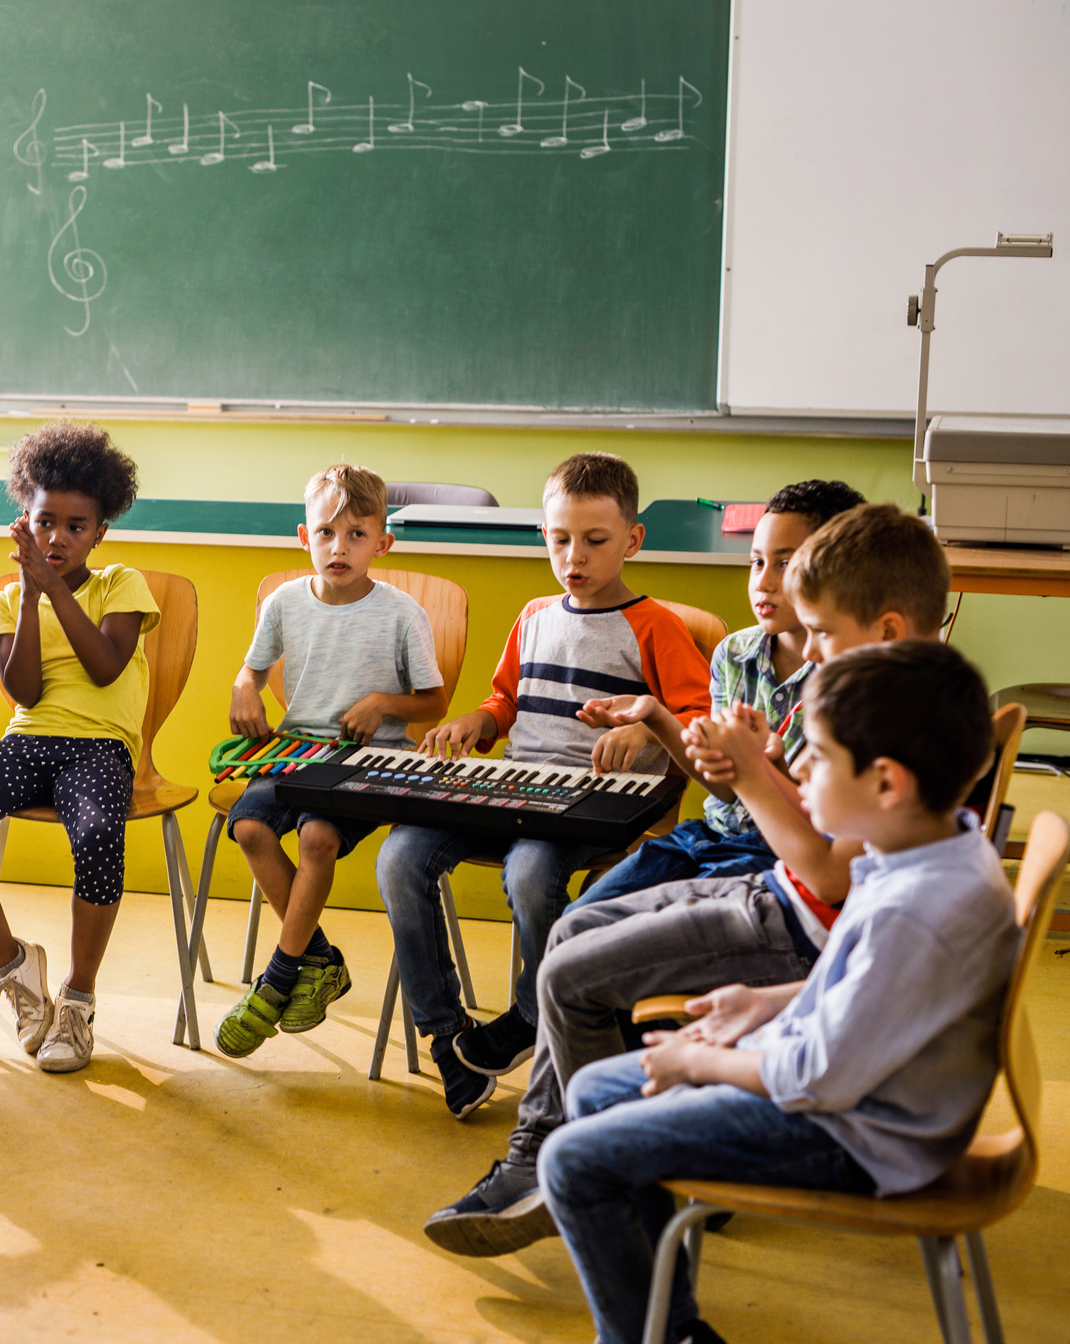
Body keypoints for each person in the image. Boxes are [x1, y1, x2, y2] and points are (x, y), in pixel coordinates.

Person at [424, 499, 951, 1254]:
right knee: (573, 931)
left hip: (788, 905)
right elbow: (790, 812)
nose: (813, 651)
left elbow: (826, 871)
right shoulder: (849, 689)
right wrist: (745, 764)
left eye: (824, 632)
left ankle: (568, 1159)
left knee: (573, 974)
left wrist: (755, 772)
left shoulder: (892, 719)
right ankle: (595, 1151)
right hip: (763, 881)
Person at [540, 641, 1011, 1344]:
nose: (797, 770)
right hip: (868, 1094)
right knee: (594, 1093)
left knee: (571, 1159)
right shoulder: (932, 846)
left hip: (860, 1133)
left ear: (887, 783)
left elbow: (815, 1074)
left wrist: (697, 1064)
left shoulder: (913, 905)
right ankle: (668, 1330)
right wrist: (768, 1001)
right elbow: (874, 988)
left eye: (816, 756)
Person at [376, 453, 712, 1117]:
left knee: (531, 877)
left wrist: (647, 731)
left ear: (632, 541)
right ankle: (449, 1038)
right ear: (544, 538)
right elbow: (506, 701)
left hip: (590, 807)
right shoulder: (533, 615)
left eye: (594, 541)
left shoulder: (656, 627)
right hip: (514, 788)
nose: (574, 557)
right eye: (560, 540)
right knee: (400, 855)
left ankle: (538, 1014)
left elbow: (697, 719)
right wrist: (477, 719)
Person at [0, 420, 157, 1073]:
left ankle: (77, 1001)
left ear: (100, 531)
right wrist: (28, 594)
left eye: (77, 526)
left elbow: (106, 666)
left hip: (98, 748)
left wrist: (54, 590)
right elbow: (24, 693)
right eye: (45, 521)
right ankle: (16, 968)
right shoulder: (5, 600)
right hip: (29, 744)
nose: (58, 537)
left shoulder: (121, 586)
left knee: (101, 835)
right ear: (25, 518)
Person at [214, 464, 447, 1057]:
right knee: (247, 826)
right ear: (303, 536)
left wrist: (382, 704)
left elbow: (434, 702)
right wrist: (245, 684)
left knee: (317, 836)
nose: (338, 548)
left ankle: (278, 979)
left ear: (382, 543)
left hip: (373, 762)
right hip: (297, 751)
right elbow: (254, 667)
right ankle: (320, 960)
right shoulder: (285, 601)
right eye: (325, 533)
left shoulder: (401, 614)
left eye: (356, 535)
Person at [569, 480, 866, 904]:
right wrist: (655, 714)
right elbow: (726, 789)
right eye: (756, 562)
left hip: (782, 858)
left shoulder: (854, 677)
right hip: (709, 837)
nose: (763, 582)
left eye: (785, 565)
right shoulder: (734, 653)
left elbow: (821, 829)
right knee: (582, 916)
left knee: (655, 939)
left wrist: (768, 765)